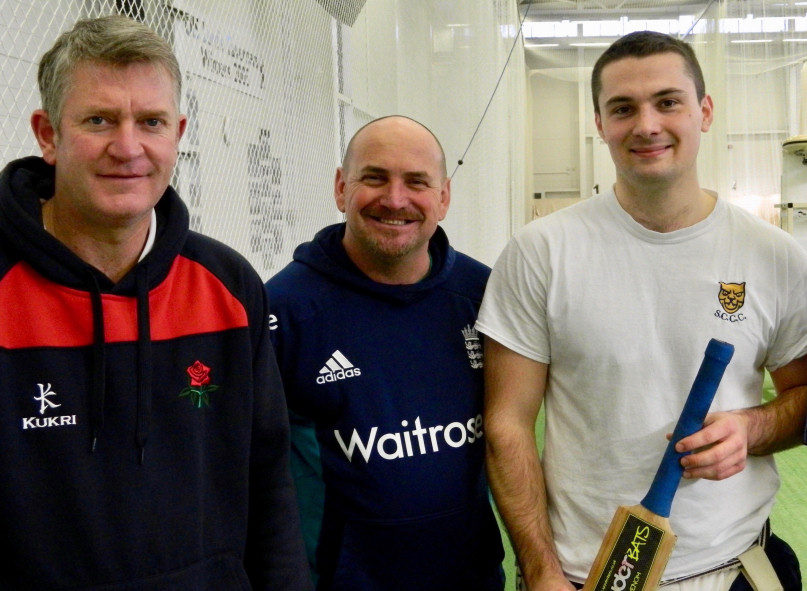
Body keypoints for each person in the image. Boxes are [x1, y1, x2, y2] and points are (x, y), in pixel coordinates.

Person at [477, 31, 807, 591]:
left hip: (737, 568)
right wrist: (540, 571)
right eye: (623, 108)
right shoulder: (541, 252)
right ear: (600, 123)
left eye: (668, 101)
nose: (647, 124)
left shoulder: (773, 255)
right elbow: (508, 425)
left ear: (703, 112)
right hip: (592, 576)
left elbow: (804, 399)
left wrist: (751, 428)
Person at [0, 15, 310, 590]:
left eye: (151, 122)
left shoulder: (229, 285)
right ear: (48, 134)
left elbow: (268, 480)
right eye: (98, 120)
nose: (128, 147)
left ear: (178, 133)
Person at [264, 115, 505, 590]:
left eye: (416, 182)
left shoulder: (484, 295)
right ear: (340, 187)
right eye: (374, 177)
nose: (395, 199)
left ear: (444, 197)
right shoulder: (282, 312)